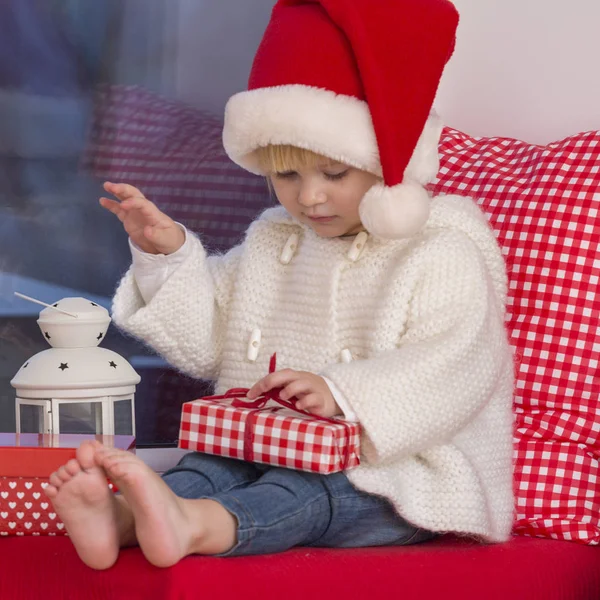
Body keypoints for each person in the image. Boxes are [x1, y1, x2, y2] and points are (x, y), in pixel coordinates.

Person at [43, 0, 515, 570]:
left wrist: (341, 394)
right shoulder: (274, 241)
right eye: (286, 175)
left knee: (313, 496)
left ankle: (196, 524)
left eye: (334, 173)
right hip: (267, 445)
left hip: (402, 473)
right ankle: (124, 520)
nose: (308, 197)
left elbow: (457, 366)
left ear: (391, 161)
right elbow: (209, 338)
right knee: (209, 466)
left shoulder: (440, 252)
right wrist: (166, 256)